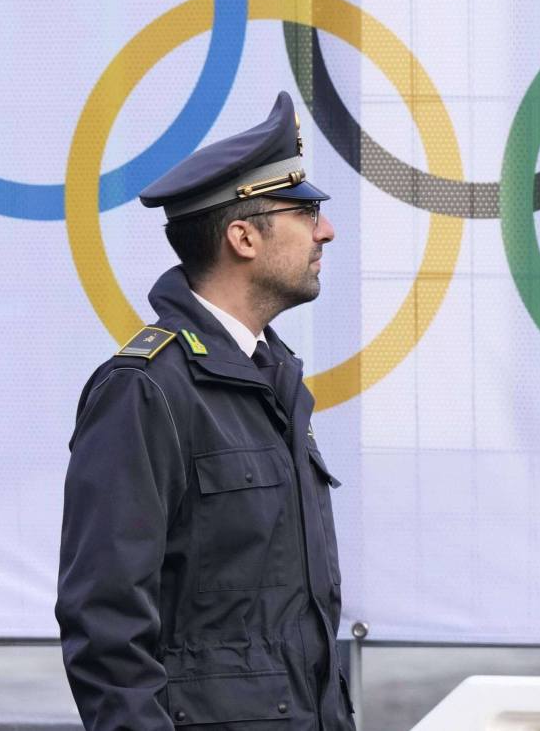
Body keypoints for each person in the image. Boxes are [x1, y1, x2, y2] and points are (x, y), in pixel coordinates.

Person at [57, 91, 352, 730]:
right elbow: (106, 629)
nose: (326, 230)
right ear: (243, 237)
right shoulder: (145, 391)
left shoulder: (273, 377)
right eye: (305, 211)